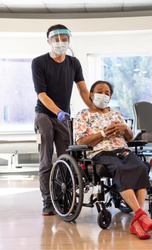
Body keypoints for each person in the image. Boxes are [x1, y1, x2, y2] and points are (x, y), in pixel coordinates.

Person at [73, 80, 152, 239]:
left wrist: (125, 129)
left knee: (141, 167)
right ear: (91, 95)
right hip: (100, 152)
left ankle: (138, 220)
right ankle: (141, 216)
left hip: (122, 150)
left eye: (107, 93)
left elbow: (131, 138)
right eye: (100, 91)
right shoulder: (83, 115)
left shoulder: (116, 114)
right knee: (120, 169)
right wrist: (103, 134)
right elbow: (80, 142)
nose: (104, 95)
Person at [32, 24, 91, 216]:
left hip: (63, 116)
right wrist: (58, 111)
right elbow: (42, 94)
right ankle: (48, 201)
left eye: (64, 39)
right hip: (45, 114)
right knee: (46, 160)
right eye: (56, 39)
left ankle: (64, 197)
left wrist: (96, 110)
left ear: (68, 40)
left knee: (67, 158)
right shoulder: (39, 62)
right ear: (49, 41)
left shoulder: (74, 63)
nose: (60, 43)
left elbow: (83, 90)